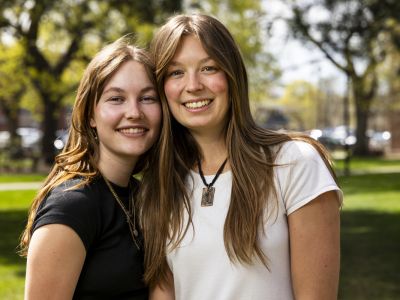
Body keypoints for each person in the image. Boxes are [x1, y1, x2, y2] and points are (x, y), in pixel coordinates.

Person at [139, 14, 342, 300]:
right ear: (161, 88)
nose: (193, 85)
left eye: (209, 68)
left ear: (232, 76)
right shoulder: (159, 184)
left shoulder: (294, 163)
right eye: (176, 72)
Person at [19, 36, 162, 299]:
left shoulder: (141, 195)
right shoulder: (73, 204)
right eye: (116, 99)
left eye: (147, 98)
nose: (134, 112)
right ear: (90, 115)